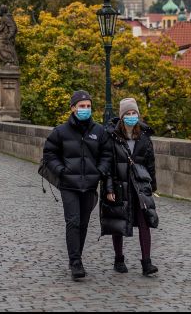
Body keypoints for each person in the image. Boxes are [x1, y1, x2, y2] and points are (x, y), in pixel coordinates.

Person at [42, 90, 112, 281]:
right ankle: (75, 262)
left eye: (88, 106)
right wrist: (61, 171)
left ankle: (77, 257)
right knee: (72, 222)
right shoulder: (61, 131)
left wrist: (99, 172)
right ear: (73, 108)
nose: (85, 110)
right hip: (69, 184)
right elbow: (49, 154)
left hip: (89, 185)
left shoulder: (99, 131)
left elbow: (107, 155)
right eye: (82, 106)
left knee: (83, 224)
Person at [101, 97, 159, 276]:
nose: (132, 116)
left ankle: (146, 262)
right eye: (128, 113)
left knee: (144, 222)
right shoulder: (112, 137)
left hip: (139, 187)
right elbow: (108, 165)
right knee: (118, 221)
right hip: (119, 185)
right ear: (122, 116)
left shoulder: (144, 137)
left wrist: (152, 187)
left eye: (134, 113)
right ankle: (119, 259)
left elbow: (150, 164)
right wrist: (109, 189)